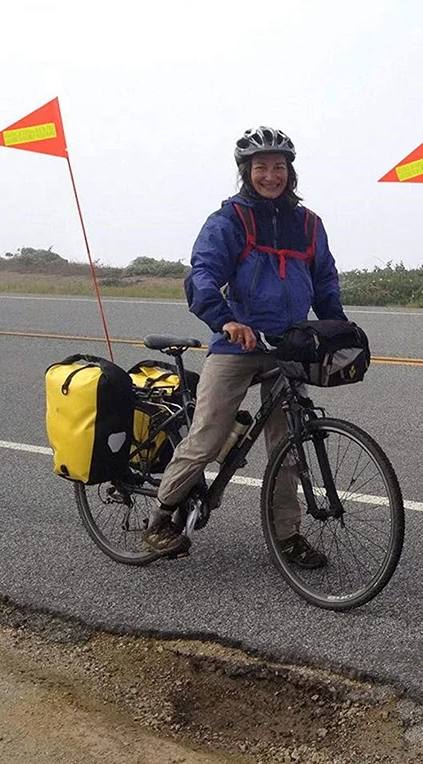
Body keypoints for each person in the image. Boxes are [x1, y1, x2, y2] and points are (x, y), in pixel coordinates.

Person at [142, 126, 347, 566]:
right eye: (261, 168)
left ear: (290, 171)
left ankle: (287, 535)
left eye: (279, 166)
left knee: (288, 446)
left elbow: (325, 281)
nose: (271, 175)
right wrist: (227, 321)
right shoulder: (231, 220)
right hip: (239, 343)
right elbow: (202, 276)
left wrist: (337, 326)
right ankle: (160, 515)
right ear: (246, 172)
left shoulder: (308, 224)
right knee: (208, 436)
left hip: (286, 346)